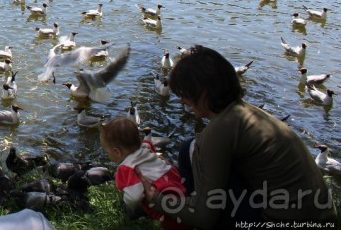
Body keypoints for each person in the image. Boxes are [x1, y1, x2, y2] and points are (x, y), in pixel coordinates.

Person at [138, 45, 337, 227]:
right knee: (190, 150)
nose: (181, 99)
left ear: (204, 94)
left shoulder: (219, 131)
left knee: (189, 151)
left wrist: (157, 200)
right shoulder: (248, 113)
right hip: (323, 219)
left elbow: (204, 217)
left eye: (184, 93)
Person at [100, 116, 189, 230]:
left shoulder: (126, 168)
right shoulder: (145, 148)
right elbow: (147, 143)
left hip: (167, 207)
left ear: (117, 151)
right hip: (178, 188)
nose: (108, 155)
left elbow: (134, 197)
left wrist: (128, 202)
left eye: (108, 151)